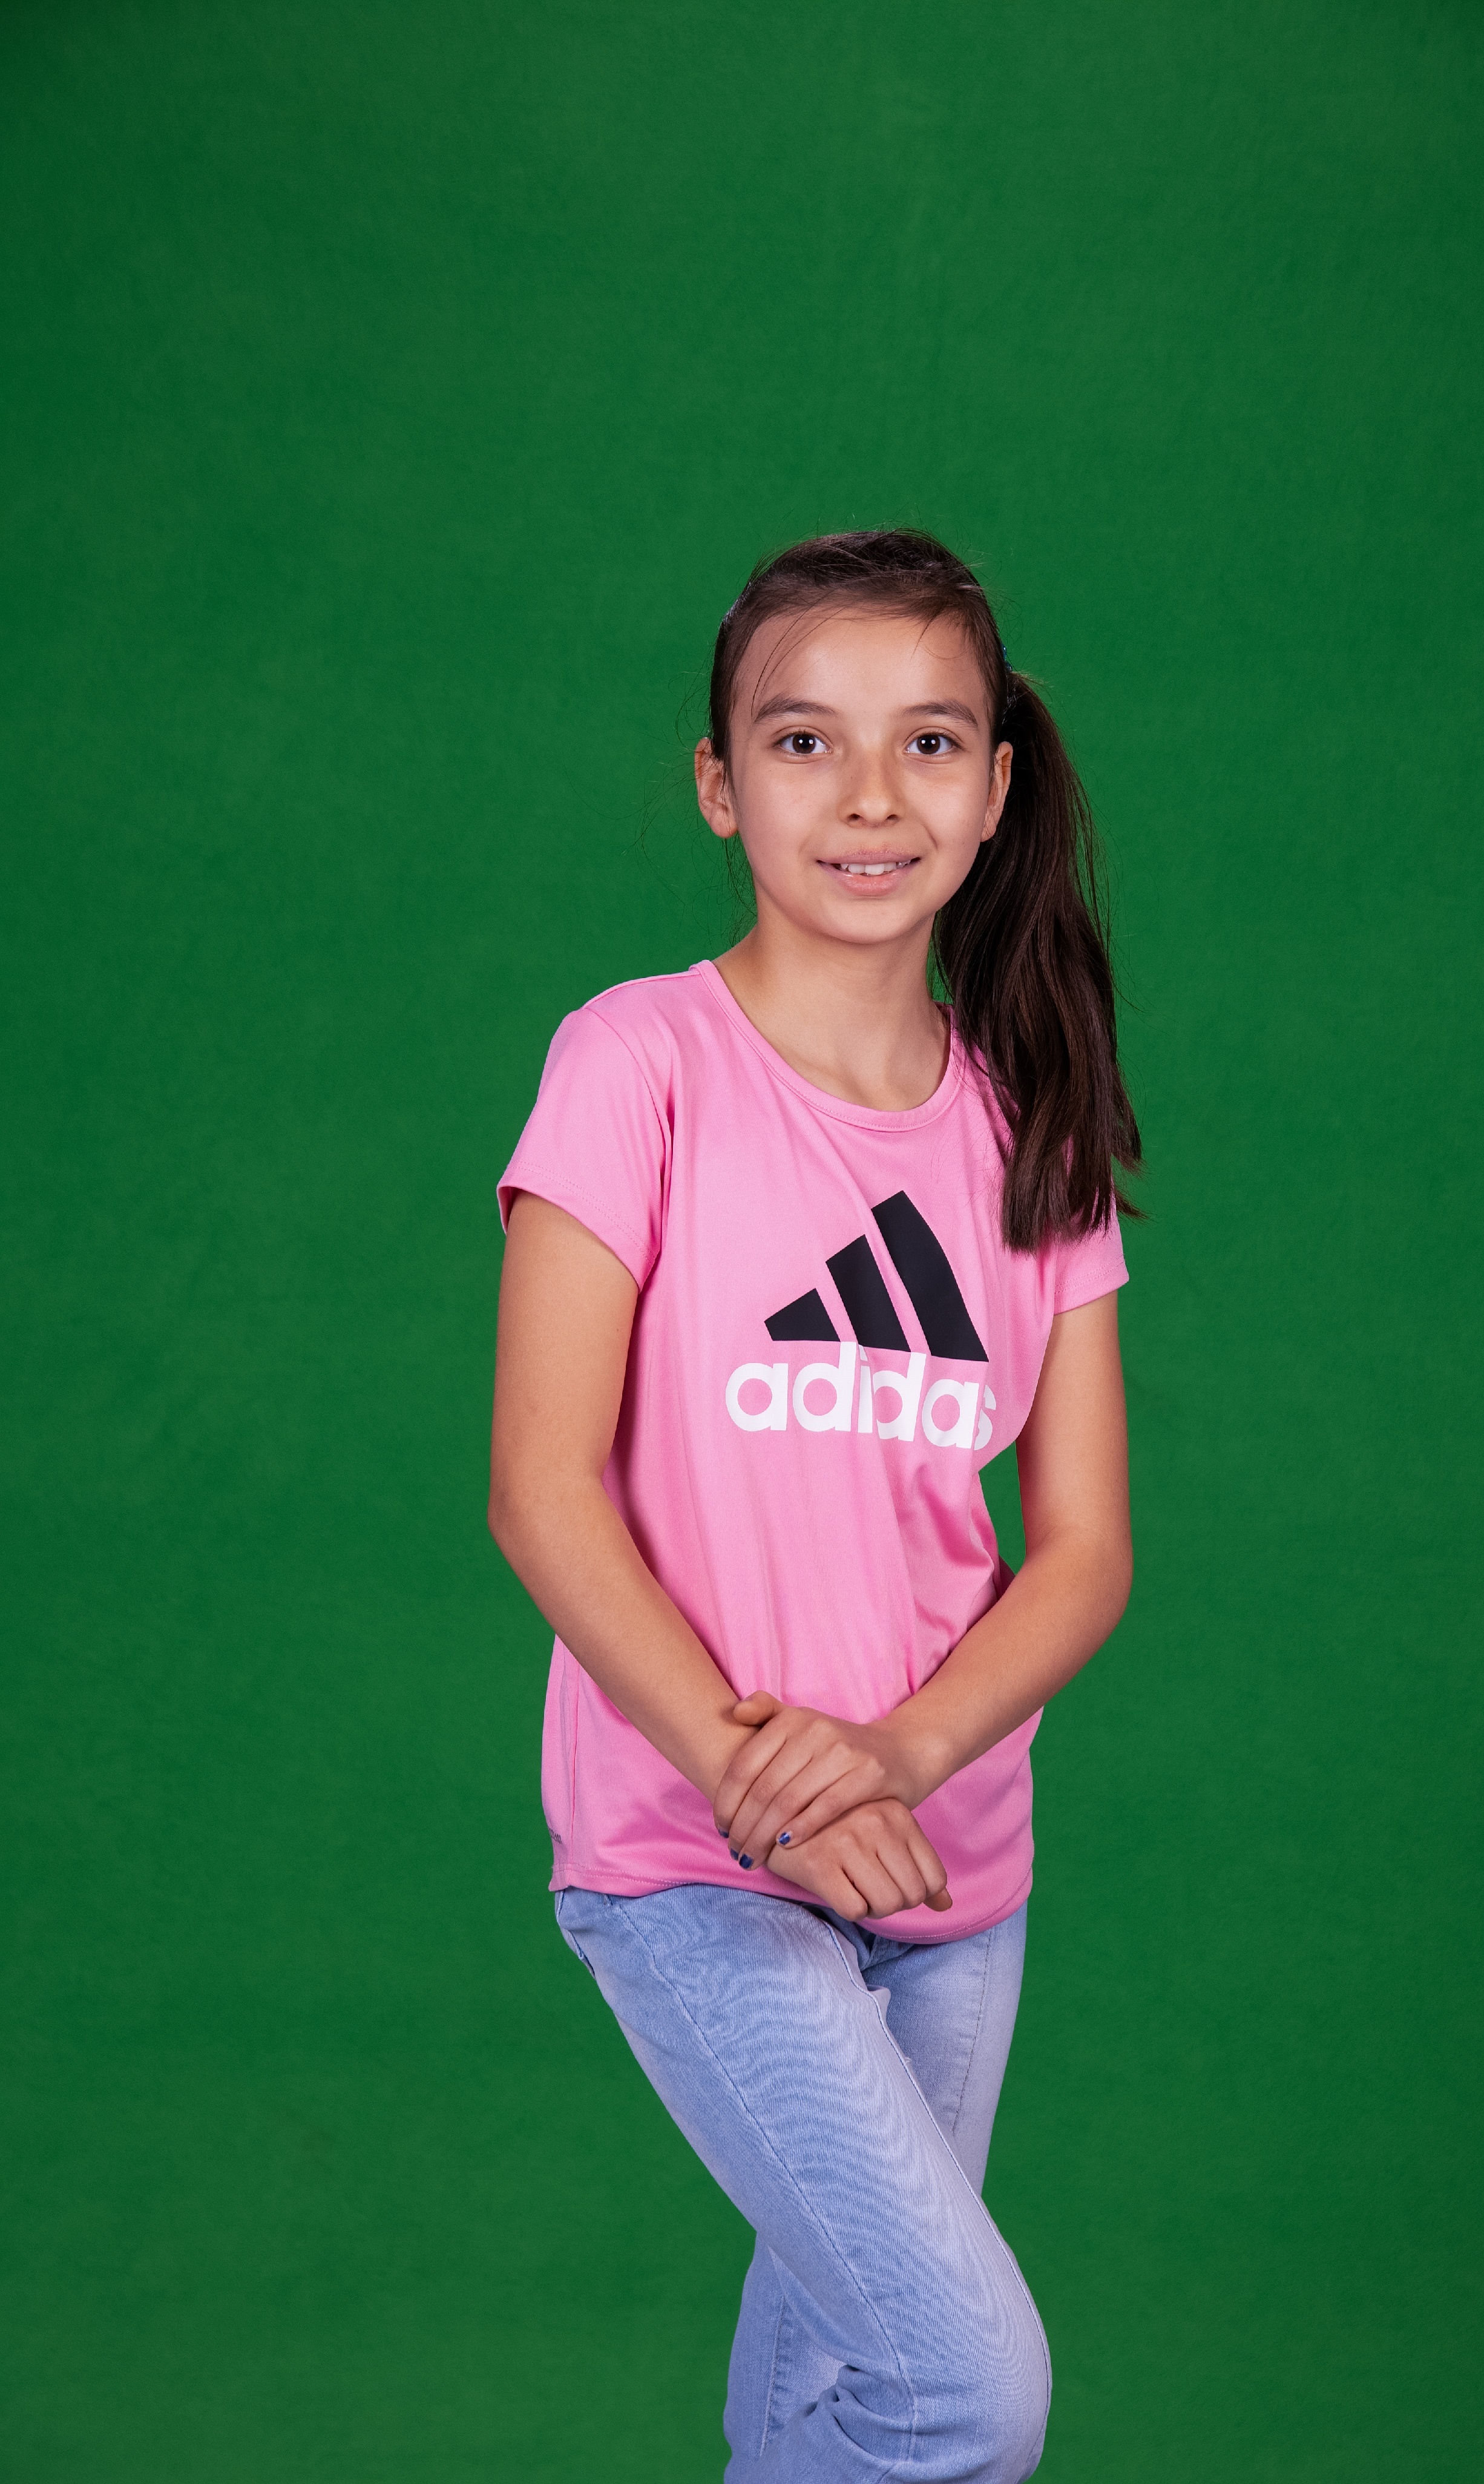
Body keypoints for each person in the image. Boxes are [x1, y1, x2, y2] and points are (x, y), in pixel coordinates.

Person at [488, 528, 1140, 2483]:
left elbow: (1083, 1549)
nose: (870, 796)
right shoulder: (638, 1062)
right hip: (692, 1855)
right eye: (802, 741)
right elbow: (541, 1487)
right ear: (719, 784)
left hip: (951, 1872)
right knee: (961, 2388)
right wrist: (759, 1774)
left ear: (996, 787)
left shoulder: (1033, 1122)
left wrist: (898, 1760)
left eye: (928, 742)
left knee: (827, 2404)